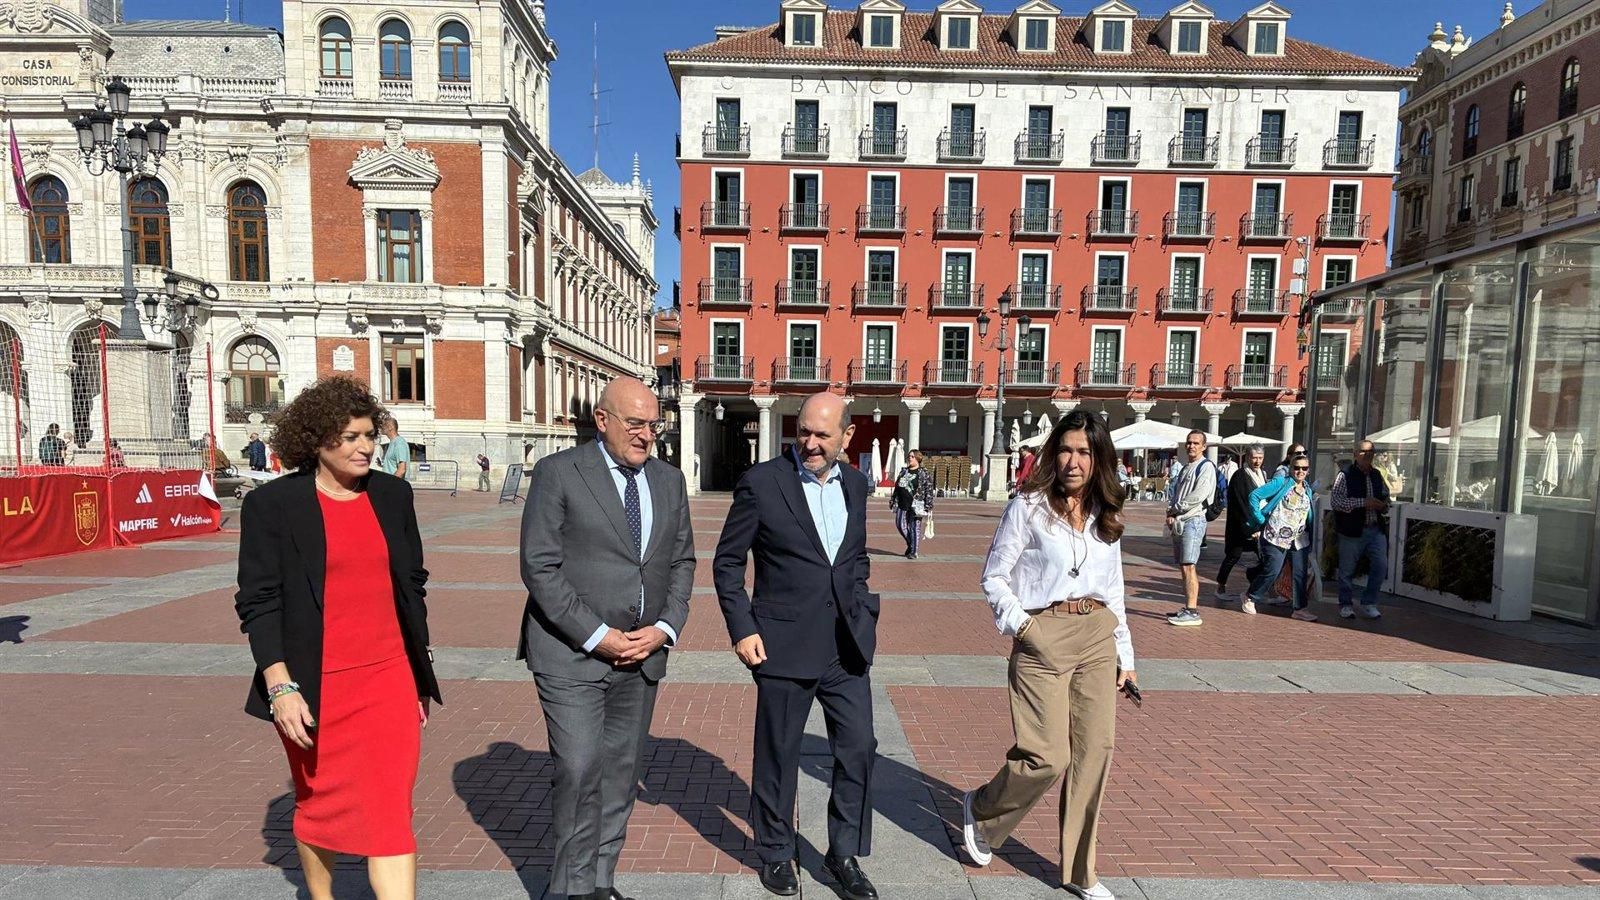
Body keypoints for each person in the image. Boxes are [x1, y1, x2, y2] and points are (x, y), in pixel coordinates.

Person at [233, 375, 440, 900]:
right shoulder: (273, 506)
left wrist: (418, 670)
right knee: (319, 802)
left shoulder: (393, 495)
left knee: (391, 813)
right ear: (317, 441)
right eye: (350, 437)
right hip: (312, 686)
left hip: (389, 679)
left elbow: (411, 583)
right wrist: (280, 688)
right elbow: (258, 602)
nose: (366, 446)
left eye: (369, 434)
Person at [518, 377, 695, 900]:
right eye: (635, 423)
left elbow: (682, 560)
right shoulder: (559, 473)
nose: (646, 435)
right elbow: (540, 567)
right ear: (602, 420)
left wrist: (664, 627)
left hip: (642, 655)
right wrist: (597, 635)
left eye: (653, 424)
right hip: (571, 653)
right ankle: (568, 889)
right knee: (578, 767)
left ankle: (599, 881)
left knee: (621, 772)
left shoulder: (667, 480)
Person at [960, 410, 1135, 900]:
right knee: (1047, 756)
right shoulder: (1028, 507)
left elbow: (1114, 590)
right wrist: (1026, 626)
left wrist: (1126, 654)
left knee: (1094, 754)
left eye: (1084, 452)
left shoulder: (1106, 512)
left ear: (1099, 459)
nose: (1073, 461)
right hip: (1044, 632)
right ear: (1052, 453)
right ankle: (982, 810)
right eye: (1065, 450)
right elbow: (994, 575)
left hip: (1098, 636)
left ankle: (1082, 873)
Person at [714, 392, 880, 900]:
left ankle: (843, 852)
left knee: (858, 750)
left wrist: (863, 607)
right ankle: (776, 852)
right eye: (803, 431)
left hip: (845, 647)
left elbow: (854, 558)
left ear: (846, 437)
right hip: (781, 644)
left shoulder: (855, 483)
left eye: (822, 435)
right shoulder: (762, 483)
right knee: (779, 755)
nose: (809, 442)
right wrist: (743, 628)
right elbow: (727, 563)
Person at [1244, 453, 1319, 621]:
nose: (1300, 471)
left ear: (1308, 470)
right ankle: (1251, 596)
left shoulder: (1307, 487)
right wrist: (1261, 519)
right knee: (1273, 569)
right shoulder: (1281, 482)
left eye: (1304, 468)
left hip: (1299, 538)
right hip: (1275, 536)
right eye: (1296, 468)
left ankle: (1299, 608)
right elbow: (1254, 496)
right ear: (1290, 468)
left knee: (1300, 574)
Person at [1330, 440, 1390, 620]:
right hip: (1352, 530)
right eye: (1363, 452)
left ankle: (1369, 602)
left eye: (1371, 451)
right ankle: (1346, 604)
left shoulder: (1377, 474)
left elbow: (1386, 495)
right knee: (1347, 570)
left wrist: (1383, 505)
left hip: (1374, 528)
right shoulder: (1345, 474)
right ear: (1355, 454)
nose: (1367, 455)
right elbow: (1336, 501)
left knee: (1381, 565)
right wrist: (1363, 502)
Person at [1165, 430, 1215, 627]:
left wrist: (1176, 508)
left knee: (1189, 564)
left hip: (1193, 520)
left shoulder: (1206, 467)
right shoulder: (1187, 467)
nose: (1191, 446)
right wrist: (1171, 511)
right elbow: (1177, 492)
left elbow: (1199, 494)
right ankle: (1187, 607)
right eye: (1189, 442)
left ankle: (1192, 610)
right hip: (1180, 521)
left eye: (1196, 443)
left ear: (1203, 446)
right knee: (1184, 566)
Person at [1215, 445, 1268, 602]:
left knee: (1264, 557)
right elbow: (1239, 502)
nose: (1257, 461)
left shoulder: (1262, 474)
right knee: (1233, 556)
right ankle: (1220, 586)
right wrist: (1249, 526)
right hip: (1241, 525)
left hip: (1259, 522)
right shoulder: (1240, 476)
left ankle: (1255, 584)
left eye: (1260, 457)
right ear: (1247, 458)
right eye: (1254, 457)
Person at [891, 449, 934, 559]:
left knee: (915, 527)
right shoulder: (904, 471)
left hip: (917, 504)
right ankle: (911, 543)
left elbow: (929, 489)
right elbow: (897, 486)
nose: (909, 458)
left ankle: (914, 552)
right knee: (900, 525)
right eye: (909, 456)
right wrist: (893, 499)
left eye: (912, 456)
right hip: (902, 503)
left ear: (918, 459)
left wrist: (928, 505)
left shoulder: (923, 473)